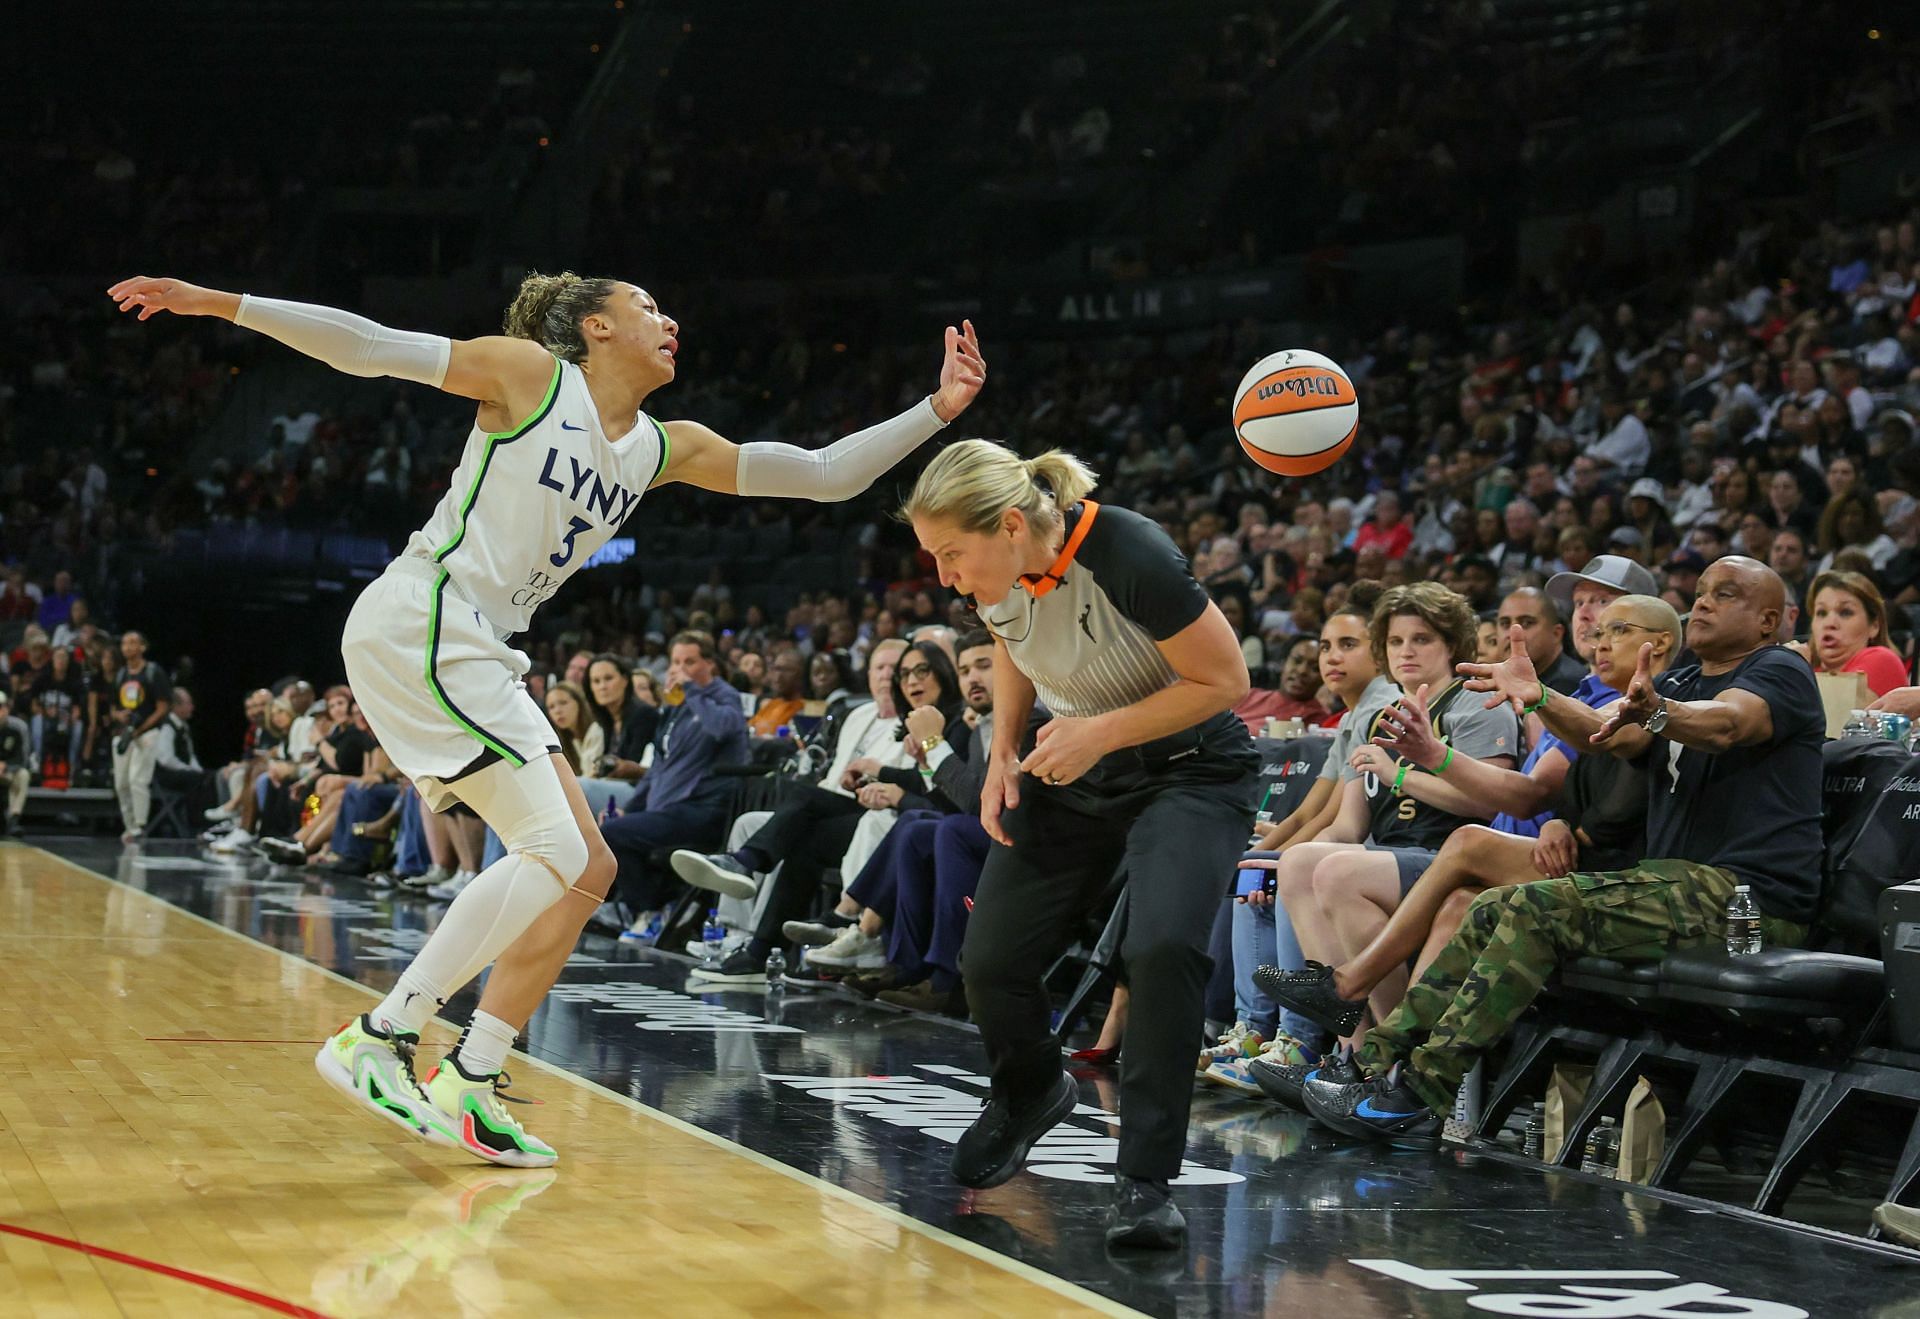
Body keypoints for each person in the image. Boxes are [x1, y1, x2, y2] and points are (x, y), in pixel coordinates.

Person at [109, 269, 983, 1166]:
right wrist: (222, 304)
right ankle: (384, 1031)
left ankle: (474, 1075)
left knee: (586, 867)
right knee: (556, 851)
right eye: (649, 304)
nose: (670, 315)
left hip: (482, 645)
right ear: (596, 327)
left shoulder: (657, 445)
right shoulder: (532, 376)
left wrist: (936, 410)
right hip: (429, 616)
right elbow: (370, 347)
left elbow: (825, 476)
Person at [1304, 557, 1819, 1145]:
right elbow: (1601, 732)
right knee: (1487, 907)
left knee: (1534, 909)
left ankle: (1417, 1091)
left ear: (1768, 621)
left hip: (1748, 899)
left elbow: (1727, 724)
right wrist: (1538, 694)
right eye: (1699, 593)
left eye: (1724, 595)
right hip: (1675, 884)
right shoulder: (1679, 682)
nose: (1701, 603)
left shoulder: (1778, 671)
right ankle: (1374, 1063)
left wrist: (1657, 711)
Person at [904, 438, 1259, 1250]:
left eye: (953, 552)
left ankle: (1144, 1180)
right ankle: (1030, 1090)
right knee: (990, 958)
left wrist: (1095, 732)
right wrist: (1000, 751)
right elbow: (1010, 639)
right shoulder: (997, 573)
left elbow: (1224, 681)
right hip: (1079, 760)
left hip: (1192, 769)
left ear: (1011, 525)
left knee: (1163, 947)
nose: (945, 575)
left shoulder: (1127, 551)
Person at [1261, 595, 1680, 1039]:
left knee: (1356, 870)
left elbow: (1518, 795)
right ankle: (1364, 1055)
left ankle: (1359, 1030)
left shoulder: (1647, 706)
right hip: (1521, 853)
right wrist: (1560, 821)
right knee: (1298, 864)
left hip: (1569, 868)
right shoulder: (1589, 699)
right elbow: (1543, 793)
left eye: (1618, 631)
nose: (1600, 642)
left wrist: (1419, 765)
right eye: (1598, 632)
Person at [1259, 584, 1519, 1040]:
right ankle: (1351, 1052)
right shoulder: (1381, 717)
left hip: (1456, 859)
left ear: (1452, 644)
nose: (1406, 652)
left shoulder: (1476, 702)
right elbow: (1347, 827)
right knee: (1299, 864)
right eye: (1396, 642)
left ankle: (1396, 1046)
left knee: (1341, 875)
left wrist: (1401, 776)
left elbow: (1488, 803)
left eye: (1422, 639)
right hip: (1391, 856)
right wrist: (1271, 857)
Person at [1787, 570, 1907, 697]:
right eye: (1821, 613)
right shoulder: (1810, 670)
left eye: (1845, 612)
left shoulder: (1883, 660)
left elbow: (1838, 711)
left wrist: (1795, 672)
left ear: (1874, 626)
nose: (1830, 623)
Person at [109, 630, 173, 844]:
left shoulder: (154, 672)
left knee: (138, 779)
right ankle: (129, 826)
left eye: (133, 642)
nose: (128, 647)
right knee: (121, 783)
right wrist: (119, 715)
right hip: (124, 733)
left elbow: (163, 707)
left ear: (143, 647)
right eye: (125, 643)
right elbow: (112, 708)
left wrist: (141, 728)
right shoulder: (120, 675)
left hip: (147, 732)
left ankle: (140, 825)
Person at [0, 692, 28, 837]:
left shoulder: (16, 729)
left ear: (7, 709)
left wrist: (5, 766)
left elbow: (20, 758)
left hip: (6, 772)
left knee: (23, 775)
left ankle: (13, 820)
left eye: (1, 707)